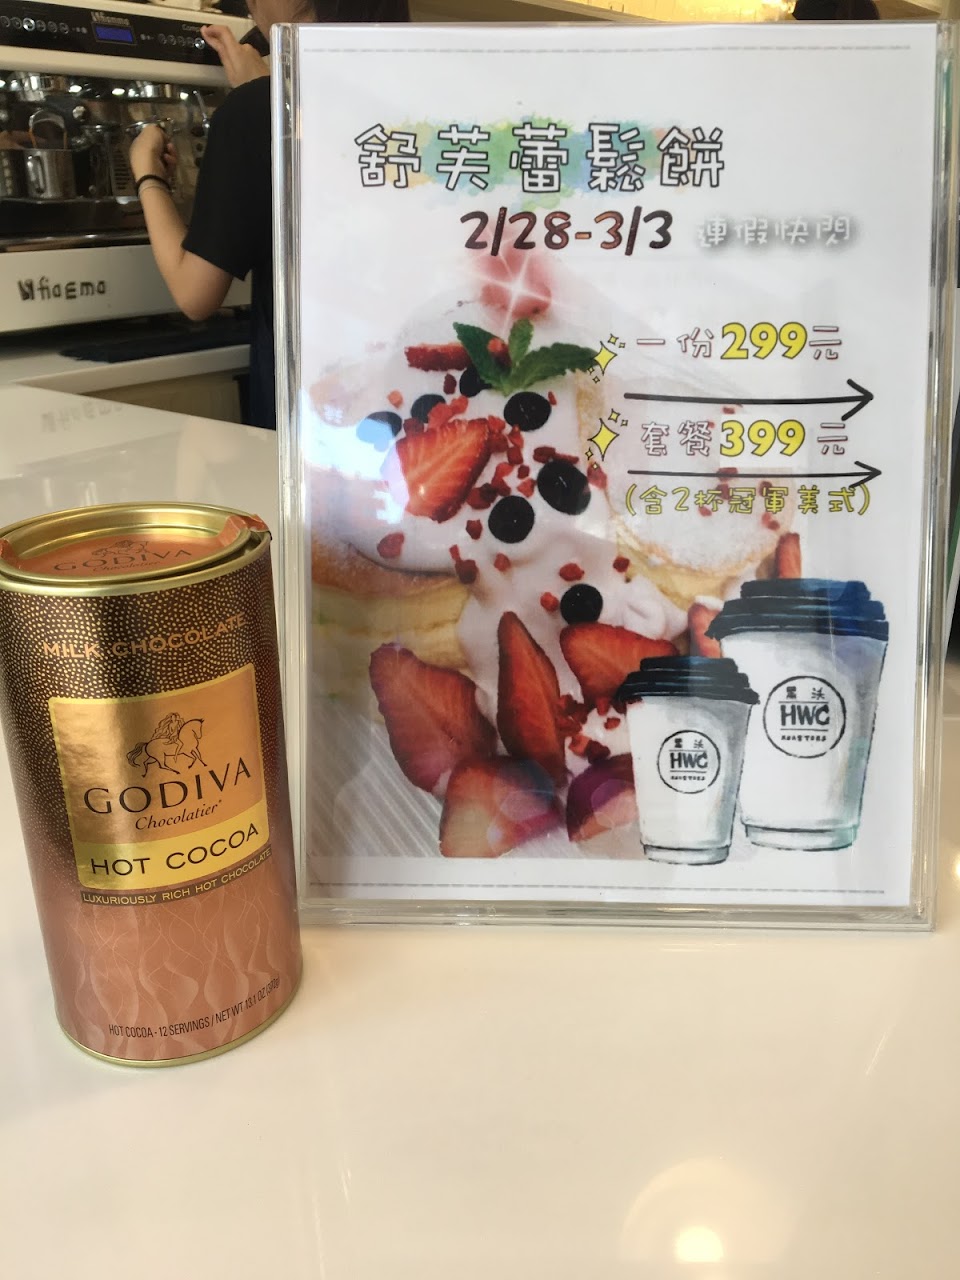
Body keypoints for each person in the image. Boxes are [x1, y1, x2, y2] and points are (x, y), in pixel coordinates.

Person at [129, 1, 410, 431]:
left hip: (316, 412)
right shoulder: (420, 91)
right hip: (413, 389)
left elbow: (194, 293)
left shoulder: (258, 110)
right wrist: (273, 94)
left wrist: (146, 172)